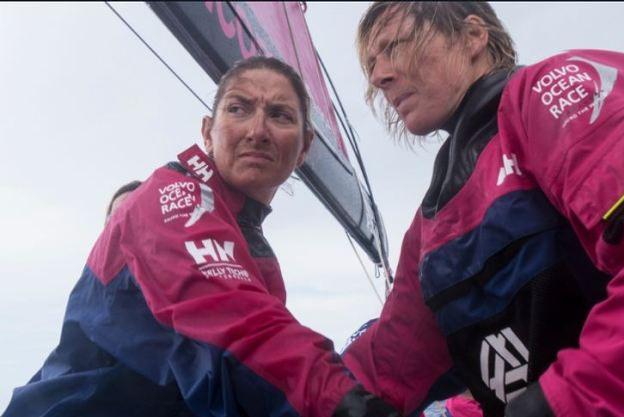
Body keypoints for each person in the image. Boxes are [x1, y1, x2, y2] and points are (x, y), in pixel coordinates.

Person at [3, 56, 399, 417]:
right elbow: (243, 330)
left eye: (280, 115)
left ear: (304, 148)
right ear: (208, 132)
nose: (257, 131)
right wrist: (348, 406)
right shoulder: (172, 195)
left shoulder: (255, 252)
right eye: (238, 109)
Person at [342, 2, 624, 417]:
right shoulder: (431, 220)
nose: (379, 76)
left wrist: (561, 402)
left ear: (474, 36)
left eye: (396, 46)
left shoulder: (549, 89)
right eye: (372, 62)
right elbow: (387, 366)